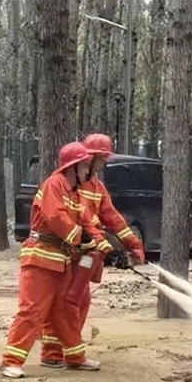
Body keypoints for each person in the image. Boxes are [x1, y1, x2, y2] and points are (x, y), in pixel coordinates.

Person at [0, 141, 113, 379]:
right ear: (73, 167)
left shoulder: (74, 193)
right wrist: (80, 237)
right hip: (41, 258)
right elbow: (55, 217)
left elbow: (86, 222)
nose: (88, 171)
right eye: (84, 167)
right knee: (32, 311)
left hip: (60, 260)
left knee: (66, 311)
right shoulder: (54, 184)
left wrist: (106, 246)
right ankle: (11, 361)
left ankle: (74, 357)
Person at [39, 133, 146, 368]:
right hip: (72, 251)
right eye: (101, 159)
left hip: (88, 252)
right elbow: (73, 219)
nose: (102, 164)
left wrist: (132, 244)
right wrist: (94, 242)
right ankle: (53, 352)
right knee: (68, 301)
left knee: (80, 301)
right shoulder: (71, 185)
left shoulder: (97, 187)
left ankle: (67, 350)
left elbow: (112, 217)